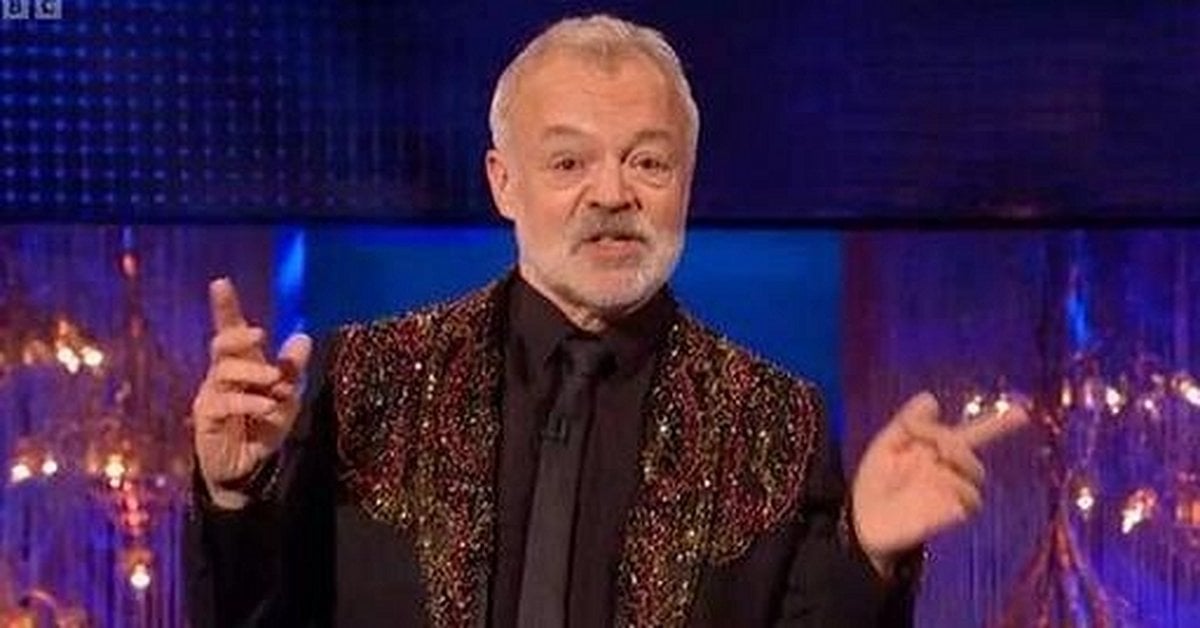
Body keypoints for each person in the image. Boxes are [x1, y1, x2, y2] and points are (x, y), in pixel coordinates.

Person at [185, 14, 1027, 627]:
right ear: (504, 183)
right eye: (568, 162)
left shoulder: (774, 418)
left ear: (686, 181)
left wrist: (868, 553)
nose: (613, 193)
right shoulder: (364, 381)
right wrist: (232, 494)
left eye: (647, 161)